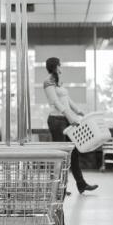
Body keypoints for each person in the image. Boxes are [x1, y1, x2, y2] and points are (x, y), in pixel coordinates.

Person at [43, 57, 98, 194]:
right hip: (56, 121)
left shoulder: (58, 83)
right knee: (60, 156)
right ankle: (58, 189)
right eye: (59, 65)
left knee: (73, 154)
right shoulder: (48, 82)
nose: (61, 68)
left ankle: (81, 184)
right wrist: (69, 116)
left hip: (65, 120)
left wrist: (78, 111)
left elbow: (67, 99)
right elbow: (56, 102)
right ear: (55, 66)